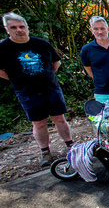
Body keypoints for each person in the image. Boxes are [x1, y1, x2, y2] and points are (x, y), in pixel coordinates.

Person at [0, 12, 73, 167]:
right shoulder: (3, 48)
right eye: (13, 27)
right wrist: (17, 80)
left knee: (59, 118)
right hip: (27, 93)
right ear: (7, 30)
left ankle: (70, 145)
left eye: (21, 26)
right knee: (38, 124)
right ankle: (45, 151)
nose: (18, 30)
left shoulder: (41, 44)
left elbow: (56, 62)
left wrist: (47, 76)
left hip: (51, 89)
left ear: (27, 28)